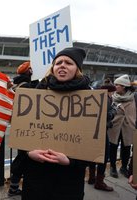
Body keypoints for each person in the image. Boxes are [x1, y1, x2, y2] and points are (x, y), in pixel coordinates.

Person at [21, 47, 90, 200]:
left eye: (69, 63)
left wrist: (71, 161)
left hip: (68, 182)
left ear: (77, 69)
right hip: (36, 177)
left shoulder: (90, 98)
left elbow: (94, 142)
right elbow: (23, 131)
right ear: (53, 67)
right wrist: (28, 153)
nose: (62, 65)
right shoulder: (39, 91)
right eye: (58, 62)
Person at [8, 61, 38, 197]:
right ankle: (14, 188)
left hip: (21, 127)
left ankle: (13, 186)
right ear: (29, 72)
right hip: (28, 128)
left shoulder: (18, 85)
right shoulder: (27, 86)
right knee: (24, 158)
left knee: (22, 157)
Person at [87, 79, 116, 191]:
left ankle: (91, 178)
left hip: (93, 131)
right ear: (108, 91)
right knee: (104, 157)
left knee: (93, 155)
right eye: (112, 92)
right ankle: (99, 182)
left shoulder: (96, 97)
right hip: (102, 131)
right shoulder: (107, 100)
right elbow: (106, 116)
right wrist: (114, 111)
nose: (113, 94)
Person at [107, 74, 136, 179]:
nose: (115, 87)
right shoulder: (112, 96)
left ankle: (124, 167)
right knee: (113, 147)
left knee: (126, 147)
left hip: (128, 126)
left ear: (124, 86)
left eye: (117, 85)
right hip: (114, 126)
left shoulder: (134, 97)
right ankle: (113, 167)